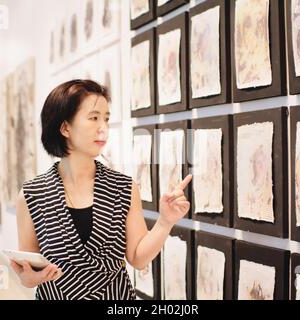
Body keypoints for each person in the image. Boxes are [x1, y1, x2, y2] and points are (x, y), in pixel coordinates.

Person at [10, 79, 192, 300]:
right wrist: (28, 279)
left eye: (106, 119)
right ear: (65, 127)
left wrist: (165, 222)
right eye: (94, 118)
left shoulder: (123, 187)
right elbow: (29, 271)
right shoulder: (32, 195)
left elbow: (137, 258)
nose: (103, 127)